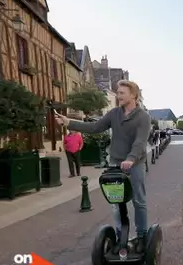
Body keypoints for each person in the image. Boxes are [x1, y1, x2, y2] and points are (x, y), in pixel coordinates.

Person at [55, 80, 151, 252]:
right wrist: (69, 122)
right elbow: (95, 127)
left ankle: (142, 236)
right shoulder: (114, 114)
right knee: (116, 202)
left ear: (133, 95)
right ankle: (122, 236)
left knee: (139, 200)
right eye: (118, 92)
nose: (118, 96)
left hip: (135, 163)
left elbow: (140, 142)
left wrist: (130, 159)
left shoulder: (143, 117)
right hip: (115, 163)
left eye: (122, 93)